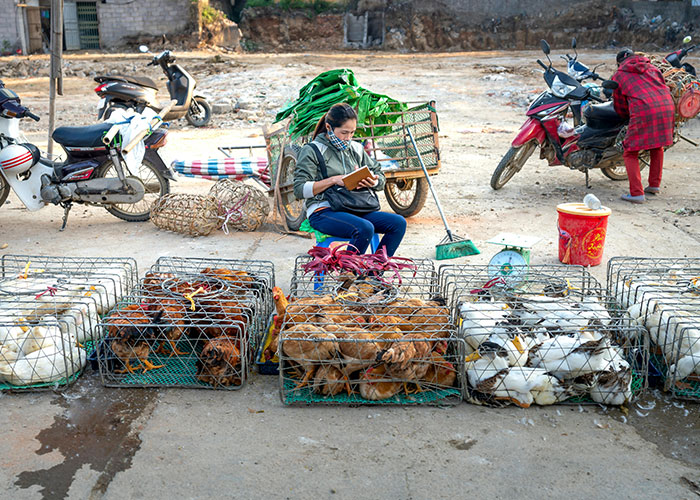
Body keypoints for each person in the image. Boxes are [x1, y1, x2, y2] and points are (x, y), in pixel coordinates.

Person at [293, 103, 406, 256]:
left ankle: (373, 274)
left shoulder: (356, 148)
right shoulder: (312, 150)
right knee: (364, 228)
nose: (348, 138)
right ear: (329, 127)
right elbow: (299, 190)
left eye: (352, 133)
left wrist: (373, 181)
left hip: (355, 207)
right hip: (324, 210)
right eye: (344, 132)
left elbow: (380, 176)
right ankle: (349, 274)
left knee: (398, 223)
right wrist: (333, 180)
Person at [612, 48, 675, 204]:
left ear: (619, 62)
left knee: (630, 151)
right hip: (667, 107)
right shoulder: (653, 68)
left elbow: (620, 105)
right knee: (657, 146)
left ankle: (636, 193)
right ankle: (654, 185)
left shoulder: (619, 75)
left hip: (645, 110)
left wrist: (625, 117)